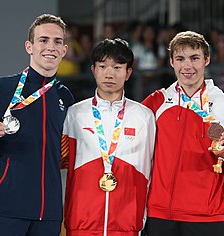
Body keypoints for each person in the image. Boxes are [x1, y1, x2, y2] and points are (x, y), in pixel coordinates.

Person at [0, 14, 74, 236]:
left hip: (48, 212)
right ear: (29, 46)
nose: (51, 47)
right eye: (43, 40)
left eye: (57, 41)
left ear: (64, 50)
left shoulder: (65, 97)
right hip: (6, 207)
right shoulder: (1, 88)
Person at [142, 31, 224, 236]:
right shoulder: (158, 101)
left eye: (194, 58)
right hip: (160, 216)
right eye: (180, 59)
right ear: (171, 62)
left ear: (206, 60)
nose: (187, 66)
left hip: (205, 218)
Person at [62, 38, 156, 235]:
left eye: (117, 67)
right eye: (103, 66)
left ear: (128, 73)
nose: (109, 74)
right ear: (93, 70)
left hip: (127, 224)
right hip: (82, 223)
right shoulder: (74, 114)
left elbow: (154, 168)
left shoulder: (144, 117)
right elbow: (57, 160)